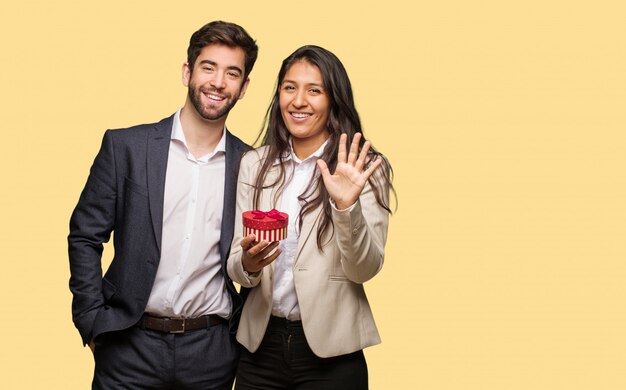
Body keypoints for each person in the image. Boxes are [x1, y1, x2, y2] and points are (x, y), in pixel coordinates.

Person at [68, 21, 258, 389]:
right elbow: (85, 236)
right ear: (187, 72)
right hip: (128, 344)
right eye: (208, 67)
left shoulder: (251, 165)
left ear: (243, 87)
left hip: (212, 350)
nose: (218, 82)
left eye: (232, 73)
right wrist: (91, 320)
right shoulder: (127, 148)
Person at [227, 45, 394, 389]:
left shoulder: (363, 168)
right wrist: (249, 263)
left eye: (314, 90)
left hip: (332, 354)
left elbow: (365, 268)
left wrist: (347, 208)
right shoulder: (254, 165)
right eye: (290, 87)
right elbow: (236, 268)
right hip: (261, 350)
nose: (298, 101)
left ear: (334, 99)